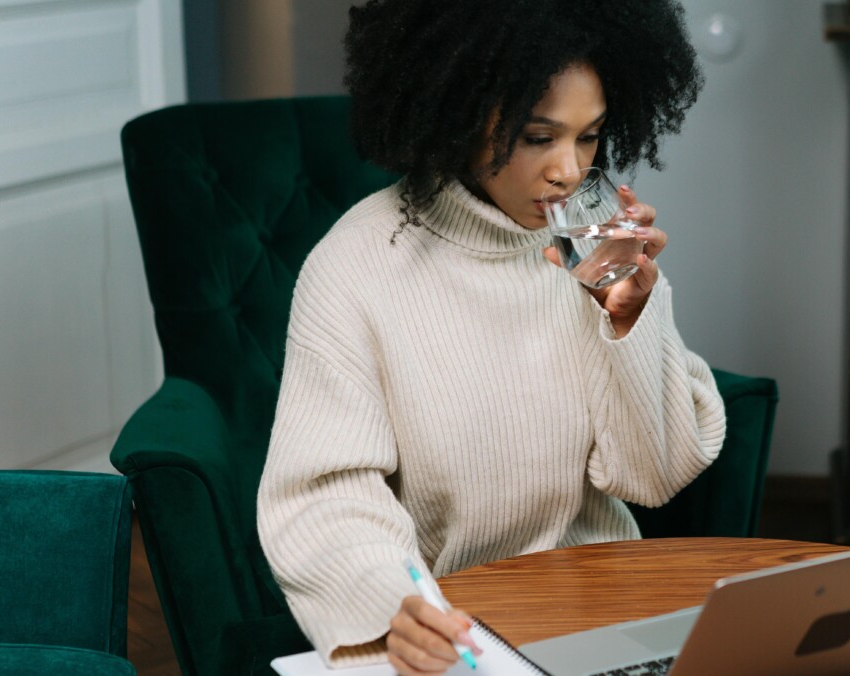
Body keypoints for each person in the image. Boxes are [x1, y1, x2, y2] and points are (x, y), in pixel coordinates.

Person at [257, 1, 725, 673]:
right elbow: (325, 499)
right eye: (538, 137)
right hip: (458, 639)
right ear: (460, 111)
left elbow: (651, 477)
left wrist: (630, 315)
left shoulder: (596, 248)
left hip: (607, 620)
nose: (569, 171)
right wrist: (397, 608)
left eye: (589, 136)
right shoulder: (356, 265)